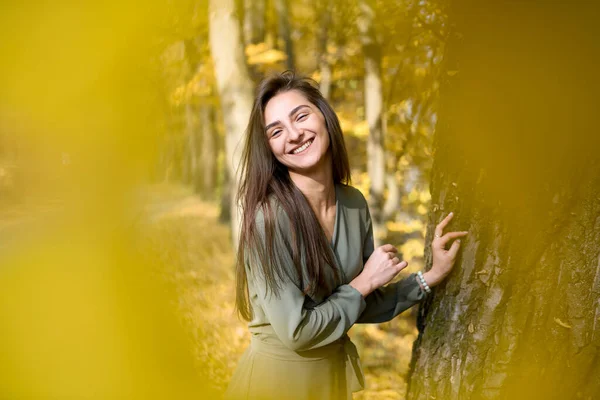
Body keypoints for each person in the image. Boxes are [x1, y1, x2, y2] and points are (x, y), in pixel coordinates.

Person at [225, 71, 468, 400]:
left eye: (301, 116)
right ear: (270, 149)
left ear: (325, 117)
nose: (294, 134)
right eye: (276, 131)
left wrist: (431, 276)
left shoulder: (353, 203)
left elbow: (359, 304)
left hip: (332, 384)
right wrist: (365, 281)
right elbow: (299, 331)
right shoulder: (269, 222)